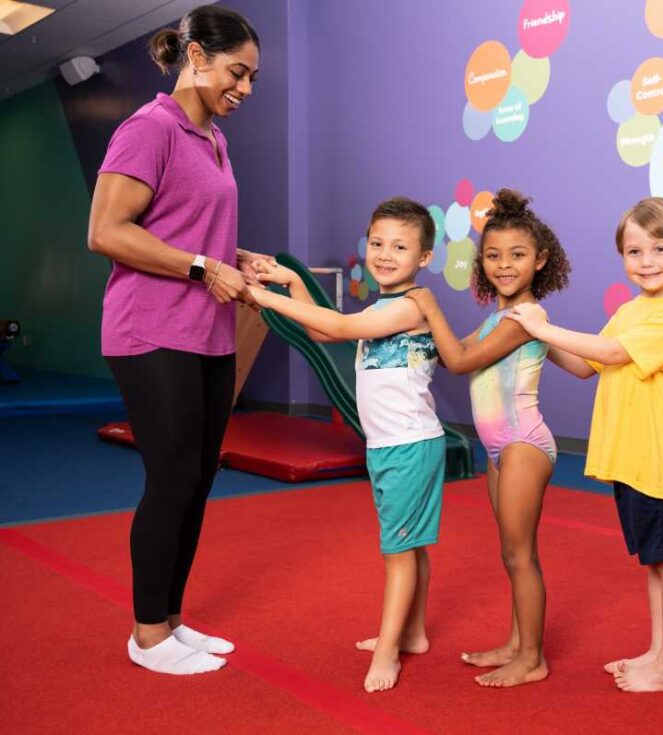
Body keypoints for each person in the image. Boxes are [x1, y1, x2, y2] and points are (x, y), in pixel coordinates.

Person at [87, 5, 270, 675]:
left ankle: (170, 619)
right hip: (150, 328)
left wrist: (236, 255)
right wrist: (202, 265)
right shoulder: (149, 128)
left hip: (209, 332)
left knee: (196, 478)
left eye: (252, 78)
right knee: (170, 477)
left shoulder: (215, 138)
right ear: (196, 58)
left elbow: (186, 226)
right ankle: (146, 634)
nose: (245, 88)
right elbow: (108, 230)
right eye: (237, 72)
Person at [249, 197, 443, 694]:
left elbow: (338, 327)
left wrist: (265, 297)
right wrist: (292, 283)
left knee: (398, 551)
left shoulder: (408, 305)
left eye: (400, 246)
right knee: (410, 543)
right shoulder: (382, 305)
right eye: (377, 243)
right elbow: (321, 328)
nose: (384, 254)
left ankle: (388, 648)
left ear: (423, 258)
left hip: (408, 444)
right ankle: (414, 633)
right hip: (389, 444)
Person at [508, 197, 663, 693]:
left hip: (658, 454)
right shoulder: (631, 310)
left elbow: (612, 352)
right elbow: (586, 364)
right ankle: (658, 653)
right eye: (635, 252)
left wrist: (543, 327)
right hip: (630, 456)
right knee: (654, 562)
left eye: (660, 249)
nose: (647, 261)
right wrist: (536, 336)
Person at [405, 189, 571, 687]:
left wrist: (428, 304)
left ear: (540, 260)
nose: (503, 265)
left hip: (523, 443)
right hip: (500, 449)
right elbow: (453, 351)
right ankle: (517, 644)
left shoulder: (523, 319)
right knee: (510, 552)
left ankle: (533, 658)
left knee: (521, 554)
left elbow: (457, 362)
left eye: (517, 255)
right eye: (493, 255)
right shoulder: (504, 318)